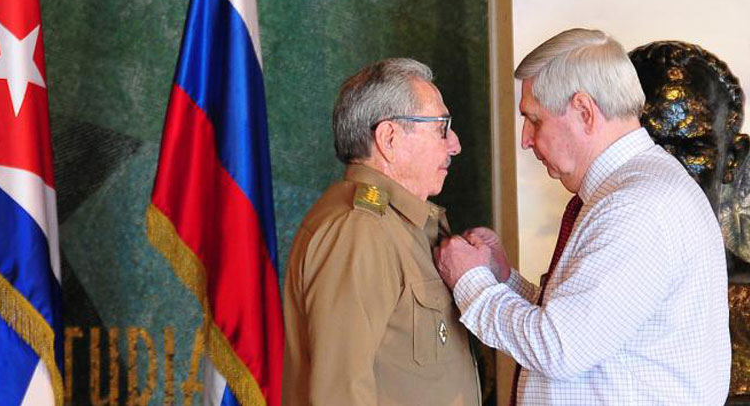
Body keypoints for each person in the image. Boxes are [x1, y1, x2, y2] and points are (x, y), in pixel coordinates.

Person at [433, 28, 731, 405]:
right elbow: (591, 325)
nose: (525, 139)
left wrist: (470, 282)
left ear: (585, 112)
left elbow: (559, 347)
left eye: (534, 120)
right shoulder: (637, 192)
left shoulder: (636, 205)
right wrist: (504, 280)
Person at [283, 58, 481, 405]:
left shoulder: (403, 224)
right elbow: (339, 393)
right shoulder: (359, 231)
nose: (455, 145)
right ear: (389, 138)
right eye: (441, 128)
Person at [629, 40, 750, 397]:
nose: (665, 169)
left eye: (693, 149)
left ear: (731, 159)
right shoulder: (579, 281)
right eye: (650, 144)